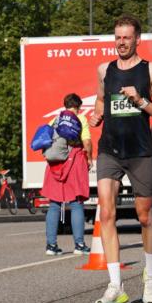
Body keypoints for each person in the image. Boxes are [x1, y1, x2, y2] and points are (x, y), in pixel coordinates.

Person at [87, 15, 152, 303]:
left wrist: (141, 101)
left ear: (137, 39)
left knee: (145, 216)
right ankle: (115, 285)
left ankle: (150, 276)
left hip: (140, 152)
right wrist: (97, 115)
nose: (121, 42)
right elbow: (101, 99)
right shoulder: (104, 70)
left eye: (126, 37)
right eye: (117, 37)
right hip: (109, 150)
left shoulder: (150, 70)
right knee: (106, 213)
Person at [44, 94, 92, 255]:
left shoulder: (55, 120)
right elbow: (86, 142)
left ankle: (51, 246)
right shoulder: (80, 119)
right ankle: (79, 245)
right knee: (76, 203)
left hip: (55, 165)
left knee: (54, 204)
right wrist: (89, 158)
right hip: (74, 162)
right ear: (78, 106)